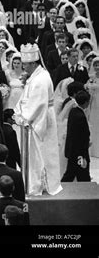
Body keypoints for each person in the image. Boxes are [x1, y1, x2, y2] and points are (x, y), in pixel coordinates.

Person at [14, 43, 62, 196]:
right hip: (38, 116)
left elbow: (39, 104)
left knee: (41, 154)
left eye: (26, 65)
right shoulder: (35, 75)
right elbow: (27, 98)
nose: (24, 68)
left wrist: (23, 117)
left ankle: (39, 185)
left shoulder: (41, 79)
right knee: (37, 154)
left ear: (34, 63)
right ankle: (35, 184)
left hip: (40, 119)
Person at [62, 91, 92, 182]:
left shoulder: (73, 111)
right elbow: (81, 137)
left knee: (73, 173)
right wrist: (83, 154)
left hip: (73, 151)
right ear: (86, 102)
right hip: (79, 153)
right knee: (79, 173)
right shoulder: (80, 116)